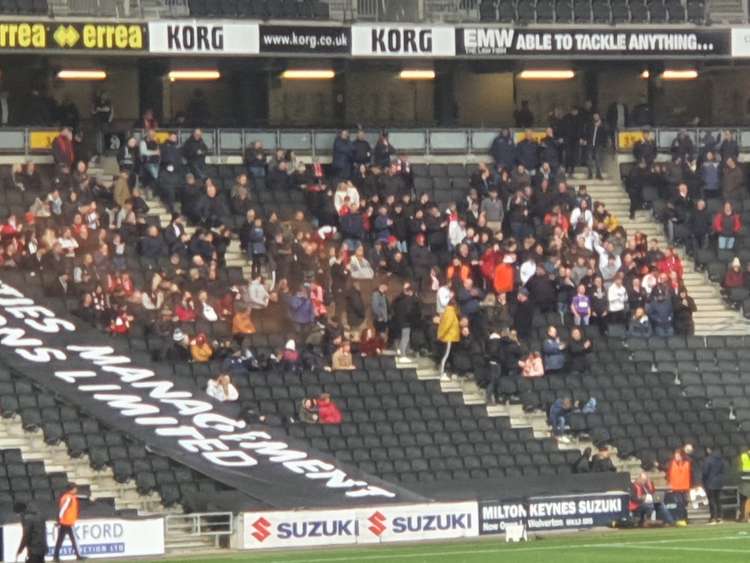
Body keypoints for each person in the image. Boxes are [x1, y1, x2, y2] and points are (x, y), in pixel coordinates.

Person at [54, 483, 83, 562]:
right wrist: (59, 519)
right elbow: (63, 509)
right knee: (74, 539)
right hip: (68, 522)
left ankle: (56, 556)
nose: (76, 490)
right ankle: (78, 556)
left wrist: (59, 520)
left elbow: (62, 509)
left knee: (60, 539)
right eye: (75, 488)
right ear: (72, 489)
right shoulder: (69, 498)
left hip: (64, 521)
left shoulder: (66, 496)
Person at [666, 448, 692, 525]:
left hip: (684, 487)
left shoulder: (687, 463)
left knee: (684, 503)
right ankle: (681, 519)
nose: (676, 456)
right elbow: (667, 471)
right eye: (676, 454)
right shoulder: (671, 463)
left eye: (678, 455)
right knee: (679, 503)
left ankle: (685, 518)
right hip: (675, 488)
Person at [437, 298, 461, 379]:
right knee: (445, 355)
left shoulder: (450, 311)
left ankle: (447, 372)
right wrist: (440, 335)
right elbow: (447, 325)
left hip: (452, 337)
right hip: (449, 337)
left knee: (449, 355)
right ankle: (442, 373)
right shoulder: (450, 311)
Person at [701, 447, 725, 524]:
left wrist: (703, 480)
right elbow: (723, 470)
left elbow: (705, 472)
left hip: (710, 482)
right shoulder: (720, 459)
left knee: (712, 500)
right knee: (718, 500)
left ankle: (713, 518)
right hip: (719, 482)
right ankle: (720, 517)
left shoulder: (708, 459)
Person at [739, 446, 750, 522]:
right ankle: (745, 516)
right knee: (747, 499)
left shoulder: (744, 456)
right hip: (746, 481)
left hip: (745, 481)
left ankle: (745, 517)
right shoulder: (744, 456)